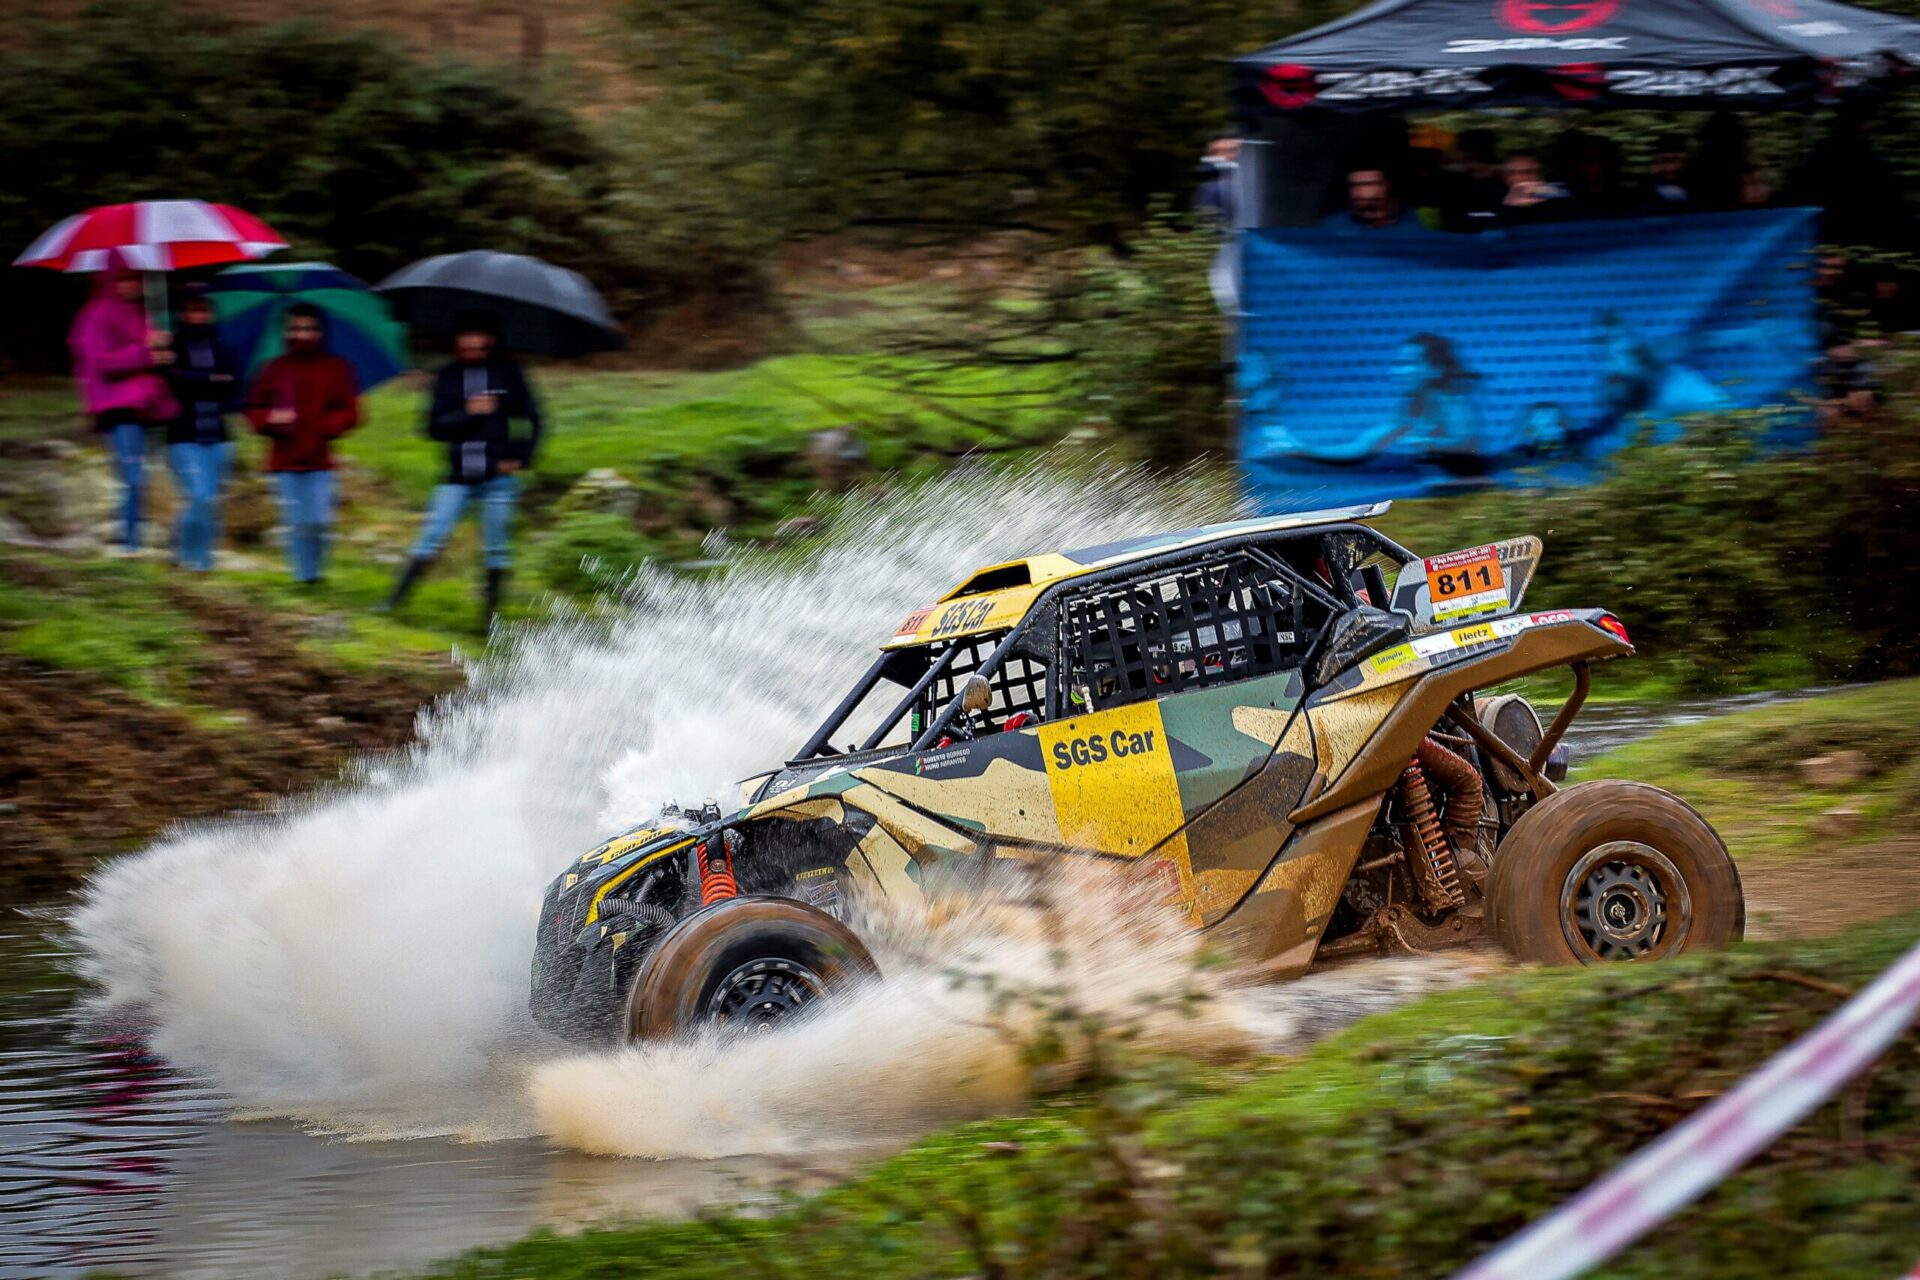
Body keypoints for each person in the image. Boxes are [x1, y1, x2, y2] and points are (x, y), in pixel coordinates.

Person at [382, 311, 543, 622]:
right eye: (465, 336)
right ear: (456, 340)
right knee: (431, 536)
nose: (471, 342)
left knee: (497, 548)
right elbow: (432, 428)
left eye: (478, 336)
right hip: (456, 478)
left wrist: (521, 458)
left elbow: (535, 420)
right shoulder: (447, 376)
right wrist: (469, 411)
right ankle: (393, 604)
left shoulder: (509, 374)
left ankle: (489, 622)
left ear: (490, 339)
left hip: (498, 477)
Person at [67, 252, 176, 553]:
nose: (131, 285)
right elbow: (102, 362)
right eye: (124, 279)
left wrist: (160, 353)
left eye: (135, 278)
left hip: (143, 406)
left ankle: (133, 539)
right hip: (116, 406)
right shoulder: (96, 313)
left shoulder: (139, 313)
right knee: (133, 476)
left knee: (138, 475)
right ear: (110, 279)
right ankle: (129, 545)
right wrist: (145, 351)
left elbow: (145, 357)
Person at [244, 303, 360, 585]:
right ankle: (303, 578)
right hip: (285, 459)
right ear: (286, 331)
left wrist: (324, 427)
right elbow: (253, 408)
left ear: (320, 331)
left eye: (308, 328)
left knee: (319, 521)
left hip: (320, 458)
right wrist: (272, 417)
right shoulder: (274, 368)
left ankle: (316, 571)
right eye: (296, 328)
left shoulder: (336, 367)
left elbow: (351, 412)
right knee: (297, 522)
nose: (302, 334)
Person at [163, 284, 239, 571]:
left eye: (203, 308)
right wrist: (209, 380)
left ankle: (204, 562)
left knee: (210, 502)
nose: (198, 314)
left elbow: (233, 385)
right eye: (192, 309)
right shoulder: (170, 346)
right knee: (199, 496)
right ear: (182, 312)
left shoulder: (222, 344)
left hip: (219, 436)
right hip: (183, 436)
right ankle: (185, 556)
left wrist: (197, 380)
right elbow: (174, 384)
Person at [1499, 149, 1567, 224]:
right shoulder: (1494, 202)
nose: (1521, 177)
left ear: (1542, 175)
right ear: (1504, 176)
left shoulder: (1562, 200)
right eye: (1512, 172)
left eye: (1529, 172)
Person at [1193, 133, 1241, 228]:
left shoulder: (1228, 178)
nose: (1226, 156)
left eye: (1232, 150)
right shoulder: (1209, 186)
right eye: (1217, 151)